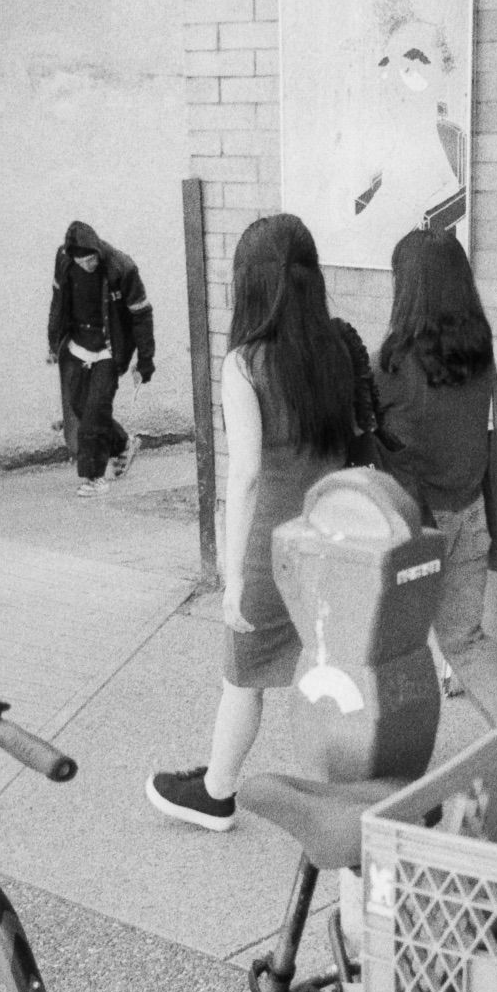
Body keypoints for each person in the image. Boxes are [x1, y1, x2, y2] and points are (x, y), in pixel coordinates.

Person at [146, 214, 362, 831]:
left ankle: (216, 793)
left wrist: (233, 576)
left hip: (275, 546)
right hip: (336, 536)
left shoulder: (245, 364)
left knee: (243, 676)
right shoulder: (339, 346)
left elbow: (243, 477)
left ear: (251, 285)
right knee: (326, 672)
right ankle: (343, 789)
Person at [373, 228, 497, 732]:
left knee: (383, 645)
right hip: (470, 517)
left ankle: (385, 758)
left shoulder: (392, 366)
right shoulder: (477, 355)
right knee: (466, 642)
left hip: (411, 529)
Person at [48, 220, 155, 497]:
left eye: (92, 258)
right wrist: (53, 342)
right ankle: (123, 444)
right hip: (78, 346)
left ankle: (95, 478)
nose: (89, 265)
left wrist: (145, 361)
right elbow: (58, 302)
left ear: (98, 250)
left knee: (95, 411)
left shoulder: (122, 268)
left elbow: (141, 315)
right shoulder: (64, 262)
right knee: (80, 406)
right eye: (83, 261)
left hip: (110, 349)